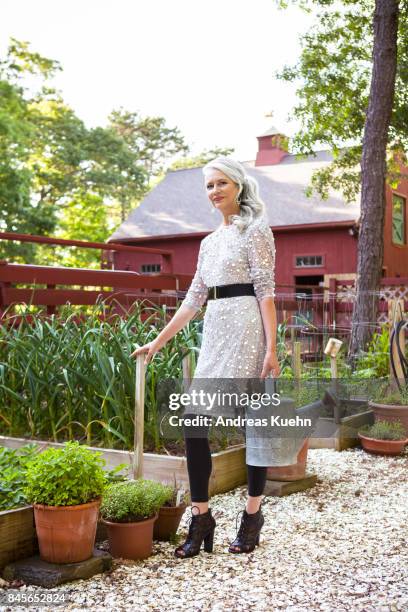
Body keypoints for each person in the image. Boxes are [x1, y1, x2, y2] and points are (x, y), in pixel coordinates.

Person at [131, 157, 280, 558]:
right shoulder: (207, 243)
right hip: (215, 331)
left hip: (248, 327)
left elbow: (266, 290)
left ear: (238, 185)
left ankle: (252, 516)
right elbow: (194, 299)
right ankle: (202, 517)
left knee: (253, 427)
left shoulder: (256, 230)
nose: (214, 192)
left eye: (220, 184)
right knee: (194, 422)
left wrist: (271, 348)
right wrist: (157, 342)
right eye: (208, 186)